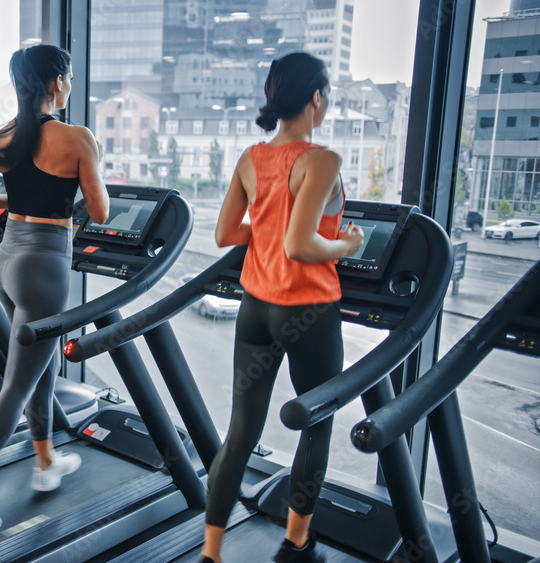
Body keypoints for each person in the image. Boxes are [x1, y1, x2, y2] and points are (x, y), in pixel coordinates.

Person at [0, 44, 109, 531]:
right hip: (45, 266)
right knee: (17, 382)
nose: (70, 84)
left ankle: (46, 461)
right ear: (56, 81)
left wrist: (7, 200)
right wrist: (94, 165)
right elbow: (99, 213)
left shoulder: (0, 138)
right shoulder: (78, 138)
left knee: (40, 366)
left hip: (7, 261)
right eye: (69, 77)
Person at [201, 52, 364, 563]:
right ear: (316, 98)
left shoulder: (250, 157)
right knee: (316, 426)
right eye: (328, 95)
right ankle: (296, 546)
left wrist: (266, 230)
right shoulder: (322, 159)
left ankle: (211, 552)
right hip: (307, 311)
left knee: (241, 431)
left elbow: (227, 233)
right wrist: (349, 246)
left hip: (255, 307)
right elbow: (301, 244)